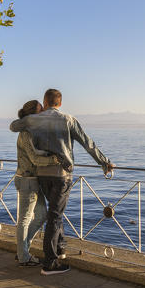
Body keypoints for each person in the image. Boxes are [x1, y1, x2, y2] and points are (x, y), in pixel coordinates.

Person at [10, 88, 114, 276]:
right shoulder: (68, 119)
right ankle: (50, 263)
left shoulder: (34, 120)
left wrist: (27, 119)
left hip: (41, 175)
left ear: (45, 102)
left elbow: (14, 126)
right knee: (55, 215)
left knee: (55, 212)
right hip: (61, 175)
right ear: (60, 103)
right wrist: (104, 162)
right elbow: (87, 143)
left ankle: (60, 248)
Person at [14, 100, 59, 266]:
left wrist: (49, 153)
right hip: (27, 181)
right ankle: (23, 256)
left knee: (41, 216)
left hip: (33, 180)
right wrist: (53, 160)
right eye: (41, 111)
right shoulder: (26, 133)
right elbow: (33, 158)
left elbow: (36, 152)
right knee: (24, 220)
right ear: (33, 115)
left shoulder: (33, 131)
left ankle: (23, 249)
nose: (43, 114)